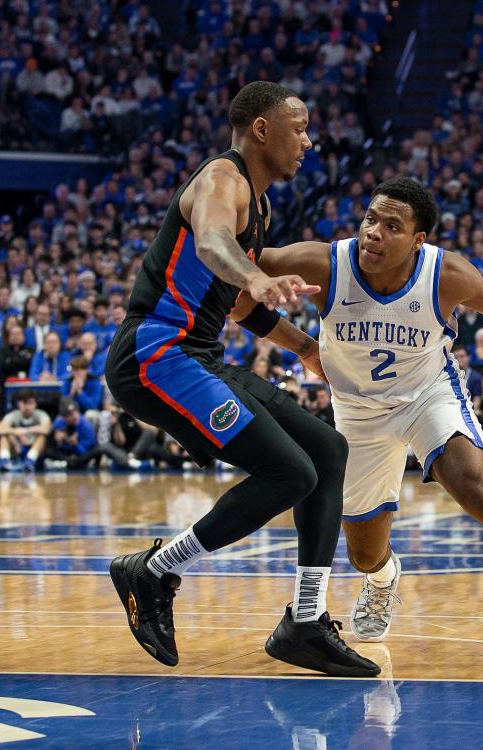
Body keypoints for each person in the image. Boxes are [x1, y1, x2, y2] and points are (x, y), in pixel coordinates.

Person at [232, 176, 483, 651]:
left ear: (418, 239)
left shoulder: (445, 274)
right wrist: (303, 345)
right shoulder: (322, 262)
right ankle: (383, 579)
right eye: (370, 219)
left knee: (475, 488)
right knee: (364, 554)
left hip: (429, 395)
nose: (373, 232)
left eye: (391, 226)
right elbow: (236, 284)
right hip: (358, 411)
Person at [103, 81, 378, 677]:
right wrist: (253, 278)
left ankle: (305, 621)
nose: (309, 140)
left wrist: (305, 347)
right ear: (261, 129)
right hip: (156, 353)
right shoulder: (220, 182)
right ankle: (152, 570)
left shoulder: (260, 201)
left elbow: (237, 304)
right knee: (289, 472)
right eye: (299, 127)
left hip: (195, 354)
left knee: (327, 452)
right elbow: (210, 244)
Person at [0, 389, 50, 471]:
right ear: (19, 404)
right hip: (18, 447)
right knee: (4, 436)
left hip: (34, 448)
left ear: (35, 404)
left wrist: (27, 430)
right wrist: (15, 432)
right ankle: (5, 461)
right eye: (24, 403)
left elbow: (47, 428)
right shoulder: (14, 415)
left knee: (42, 436)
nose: (27, 407)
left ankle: (30, 461)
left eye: (30, 403)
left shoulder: (40, 414)